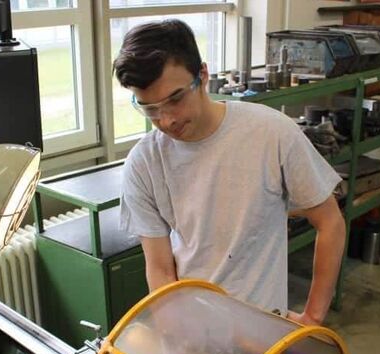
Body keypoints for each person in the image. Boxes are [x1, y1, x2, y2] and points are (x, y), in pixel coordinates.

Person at [115, 19, 346, 327]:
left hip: (265, 329)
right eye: (150, 109)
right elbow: (160, 269)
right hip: (196, 328)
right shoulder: (144, 163)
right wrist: (175, 333)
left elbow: (330, 222)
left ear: (203, 75)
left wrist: (313, 316)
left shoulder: (271, 133)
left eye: (175, 99)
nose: (166, 120)